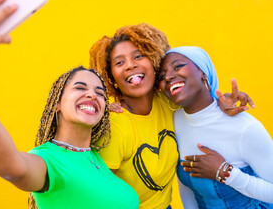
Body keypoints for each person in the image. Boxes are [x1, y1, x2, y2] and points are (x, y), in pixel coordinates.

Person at [0, 0, 139, 209]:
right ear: (57, 103)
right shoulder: (48, 161)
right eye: (80, 88)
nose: (92, 95)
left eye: (100, 92)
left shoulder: (97, 157)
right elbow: (12, 168)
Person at [89, 24, 254, 209]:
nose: (130, 65)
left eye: (138, 56)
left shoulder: (167, 103)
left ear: (154, 63)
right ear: (112, 78)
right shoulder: (115, 125)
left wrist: (219, 103)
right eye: (119, 63)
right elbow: (99, 196)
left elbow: (198, 98)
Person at [158, 46, 273, 208]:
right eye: (162, 76)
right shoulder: (175, 122)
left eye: (178, 66)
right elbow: (187, 187)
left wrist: (226, 173)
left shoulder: (245, 127)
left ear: (203, 73)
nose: (168, 76)